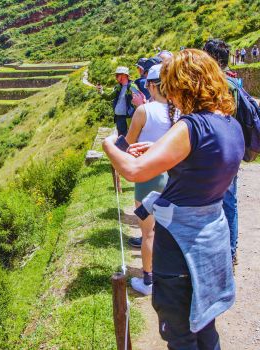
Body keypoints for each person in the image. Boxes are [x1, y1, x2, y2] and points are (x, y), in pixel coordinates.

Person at [103, 49, 244, 349]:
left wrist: (109, 147)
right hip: (210, 239)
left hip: (179, 246)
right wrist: (155, 148)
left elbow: (133, 170)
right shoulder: (230, 125)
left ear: (184, 85)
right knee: (206, 328)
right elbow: (201, 163)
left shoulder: (191, 126)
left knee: (179, 335)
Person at [125, 64, 176, 295]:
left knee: (149, 232)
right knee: (170, 229)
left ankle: (148, 280)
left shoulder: (144, 111)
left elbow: (128, 142)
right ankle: (170, 274)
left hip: (149, 176)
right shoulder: (181, 111)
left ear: (152, 85)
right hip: (175, 175)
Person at [203, 38, 241, 265]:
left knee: (216, 201)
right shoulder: (235, 82)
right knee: (229, 201)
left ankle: (223, 252)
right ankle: (231, 250)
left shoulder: (217, 84)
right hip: (233, 148)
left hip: (217, 149)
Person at [97, 66, 140, 136]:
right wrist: (101, 91)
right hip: (118, 118)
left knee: (127, 138)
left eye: (117, 75)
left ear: (124, 75)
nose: (116, 77)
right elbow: (109, 97)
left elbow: (139, 102)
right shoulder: (118, 87)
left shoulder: (132, 87)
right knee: (121, 138)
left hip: (127, 118)